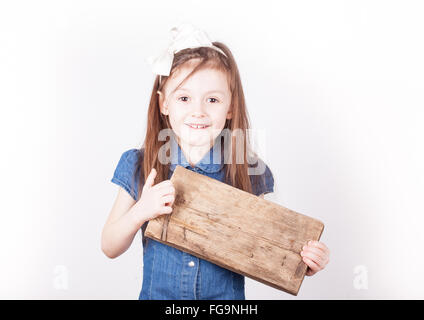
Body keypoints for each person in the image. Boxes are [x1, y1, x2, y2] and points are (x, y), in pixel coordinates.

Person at [101, 23, 330, 300]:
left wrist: (305, 260)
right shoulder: (141, 165)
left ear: (230, 107)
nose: (198, 111)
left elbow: (273, 246)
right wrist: (141, 212)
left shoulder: (249, 172)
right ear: (164, 104)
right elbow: (109, 246)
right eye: (184, 98)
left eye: (212, 99)